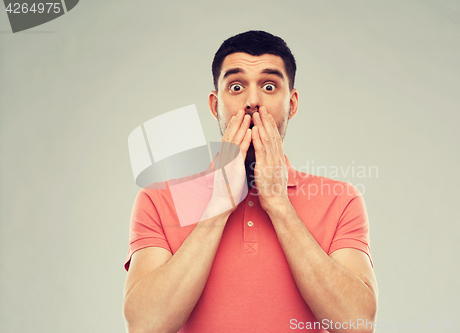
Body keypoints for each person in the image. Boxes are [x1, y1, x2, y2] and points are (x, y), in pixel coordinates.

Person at [122, 30, 378, 333]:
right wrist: (217, 205)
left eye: (269, 86)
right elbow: (144, 326)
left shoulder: (340, 200)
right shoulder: (157, 199)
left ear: (292, 104)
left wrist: (280, 205)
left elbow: (358, 325)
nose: (253, 101)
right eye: (236, 86)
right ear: (214, 105)